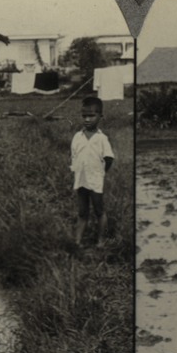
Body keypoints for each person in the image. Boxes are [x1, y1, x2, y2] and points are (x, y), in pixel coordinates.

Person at [70, 95, 115, 247]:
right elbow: (74, 156)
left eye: (91, 116)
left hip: (95, 179)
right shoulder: (77, 136)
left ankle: (100, 241)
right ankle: (77, 241)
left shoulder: (102, 138)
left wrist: (100, 173)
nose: (87, 119)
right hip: (81, 179)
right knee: (82, 212)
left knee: (99, 210)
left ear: (100, 116)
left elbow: (109, 158)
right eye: (84, 116)